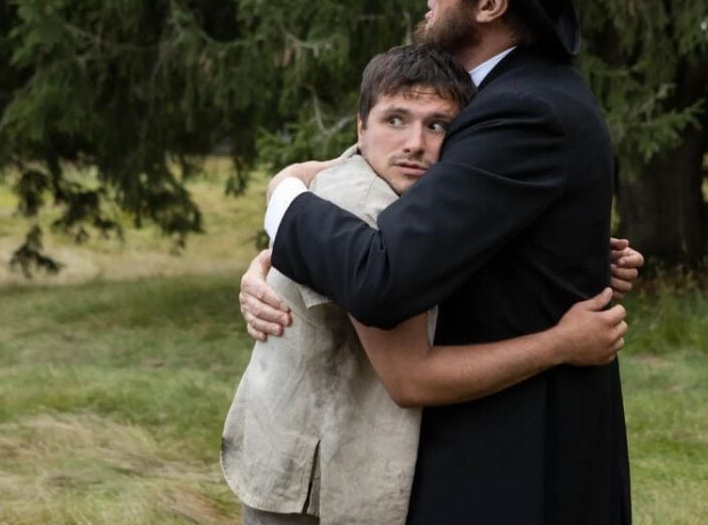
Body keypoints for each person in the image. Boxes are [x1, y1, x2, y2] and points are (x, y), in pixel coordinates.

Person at [246, 0, 641, 524]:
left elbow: (382, 276)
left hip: (515, 468)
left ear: (489, 4)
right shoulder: (505, 101)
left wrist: (281, 203)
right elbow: (383, 193)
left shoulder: (524, 115)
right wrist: (269, 258)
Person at [222, 45, 630, 525]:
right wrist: (561, 344)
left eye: (437, 126)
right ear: (360, 128)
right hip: (311, 492)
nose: (415, 143)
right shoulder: (361, 206)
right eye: (395, 120)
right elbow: (411, 378)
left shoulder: (400, 191)